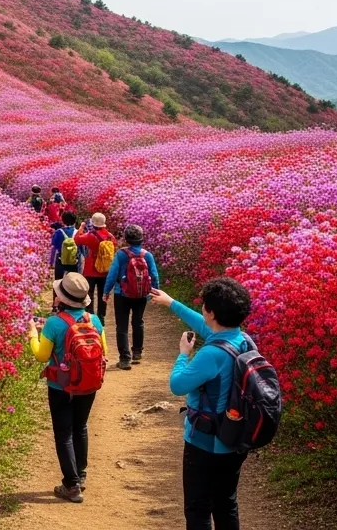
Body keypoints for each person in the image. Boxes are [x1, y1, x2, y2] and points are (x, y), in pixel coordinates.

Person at [149, 279, 254, 530]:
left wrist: (183, 354)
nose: (203, 311)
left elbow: (178, 385)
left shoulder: (211, 354)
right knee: (226, 504)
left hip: (205, 442)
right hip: (236, 436)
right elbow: (208, 329)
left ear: (213, 313)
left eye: (205, 307)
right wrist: (172, 303)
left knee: (198, 508)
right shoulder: (244, 340)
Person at [29, 272, 107, 503]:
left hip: (60, 387)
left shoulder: (54, 323)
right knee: (80, 427)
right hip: (88, 384)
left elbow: (42, 356)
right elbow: (104, 352)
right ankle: (80, 476)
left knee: (64, 434)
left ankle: (71, 485)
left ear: (60, 298)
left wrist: (33, 334)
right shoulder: (94, 320)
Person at [103, 224, 159, 370]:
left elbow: (112, 274)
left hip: (121, 294)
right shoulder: (147, 255)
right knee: (138, 322)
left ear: (126, 239)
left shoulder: (121, 254)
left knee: (122, 326)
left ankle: (124, 359)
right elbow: (154, 275)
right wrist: (155, 293)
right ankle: (137, 352)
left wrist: (106, 291)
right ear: (142, 239)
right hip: (141, 294)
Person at [74, 213, 115, 320]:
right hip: (105, 270)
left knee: (90, 294)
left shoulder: (90, 236)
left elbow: (76, 239)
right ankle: (101, 316)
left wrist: (82, 227)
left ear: (93, 223)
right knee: (103, 294)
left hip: (90, 270)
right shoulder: (110, 236)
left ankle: (90, 316)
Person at [50, 211, 78, 280]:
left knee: (58, 282)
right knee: (72, 283)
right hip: (73, 261)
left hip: (60, 260)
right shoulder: (77, 232)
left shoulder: (58, 232)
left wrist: (51, 262)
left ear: (63, 221)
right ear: (74, 221)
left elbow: (54, 248)